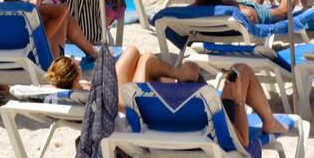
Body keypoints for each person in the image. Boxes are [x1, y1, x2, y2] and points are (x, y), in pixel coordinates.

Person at [46, 46, 200, 110]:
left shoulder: (69, 90)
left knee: (141, 58)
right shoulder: (80, 92)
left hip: (119, 96)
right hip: (125, 104)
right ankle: (180, 75)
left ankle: (177, 79)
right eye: (77, 65)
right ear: (73, 78)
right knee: (144, 58)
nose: (79, 64)